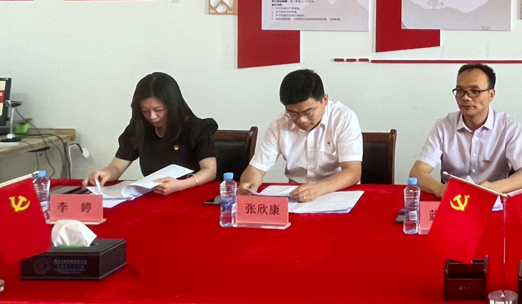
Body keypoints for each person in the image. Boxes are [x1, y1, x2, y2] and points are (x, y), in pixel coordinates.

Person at [408, 64, 522, 198]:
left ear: (491, 94)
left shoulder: (508, 127)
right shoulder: (444, 126)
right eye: (460, 91)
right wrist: (440, 189)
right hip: (454, 201)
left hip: (493, 200)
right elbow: (417, 173)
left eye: (474, 91)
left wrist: (493, 188)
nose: (466, 97)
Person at [239, 69, 363, 203]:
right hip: (297, 196)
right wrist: (248, 185)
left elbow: (352, 171)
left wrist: (318, 189)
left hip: (337, 192)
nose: (301, 120)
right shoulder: (279, 124)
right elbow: (256, 169)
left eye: (308, 113)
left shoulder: (343, 119)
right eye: (293, 114)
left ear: (325, 100)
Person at [85, 72, 217, 194]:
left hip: (192, 195)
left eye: (158, 109)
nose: (152, 116)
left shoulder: (197, 128)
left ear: (172, 105)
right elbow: (117, 167)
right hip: (156, 195)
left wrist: (182, 184)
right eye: (145, 111)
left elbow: (210, 170)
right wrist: (106, 173)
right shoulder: (139, 128)